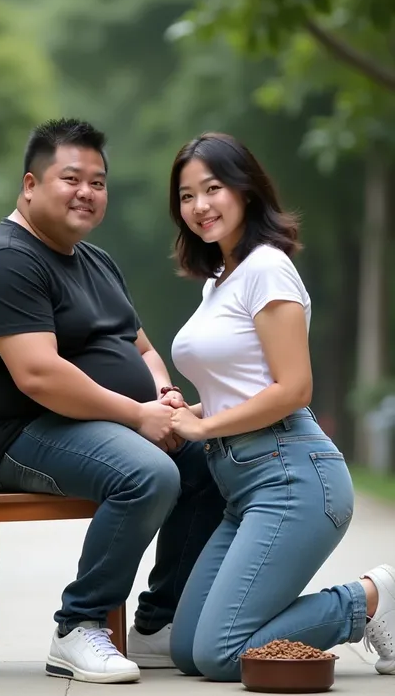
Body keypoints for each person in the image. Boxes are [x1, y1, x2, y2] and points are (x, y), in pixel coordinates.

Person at [0, 118, 224, 684]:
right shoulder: (6, 260)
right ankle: (78, 627)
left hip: (103, 425)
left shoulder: (95, 261)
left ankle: (157, 625)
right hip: (24, 434)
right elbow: (39, 376)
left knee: (211, 462)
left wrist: (163, 396)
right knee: (148, 474)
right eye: (71, 178)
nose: (87, 192)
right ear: (30, 184)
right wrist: (138, 416)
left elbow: (142, 348)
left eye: (98, 182)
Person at [163, 132, 395, 681]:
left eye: (213, 188)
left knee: (221, 655)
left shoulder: (268, 268)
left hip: (294, 477)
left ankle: (371, 598)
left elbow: (293, 389)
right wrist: (196, 411)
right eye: (186, 195)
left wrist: (205, 428)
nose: (199, 206)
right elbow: (248, 382)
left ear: (245, 190)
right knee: (188, 647)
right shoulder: (220, 282)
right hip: (244, 486)